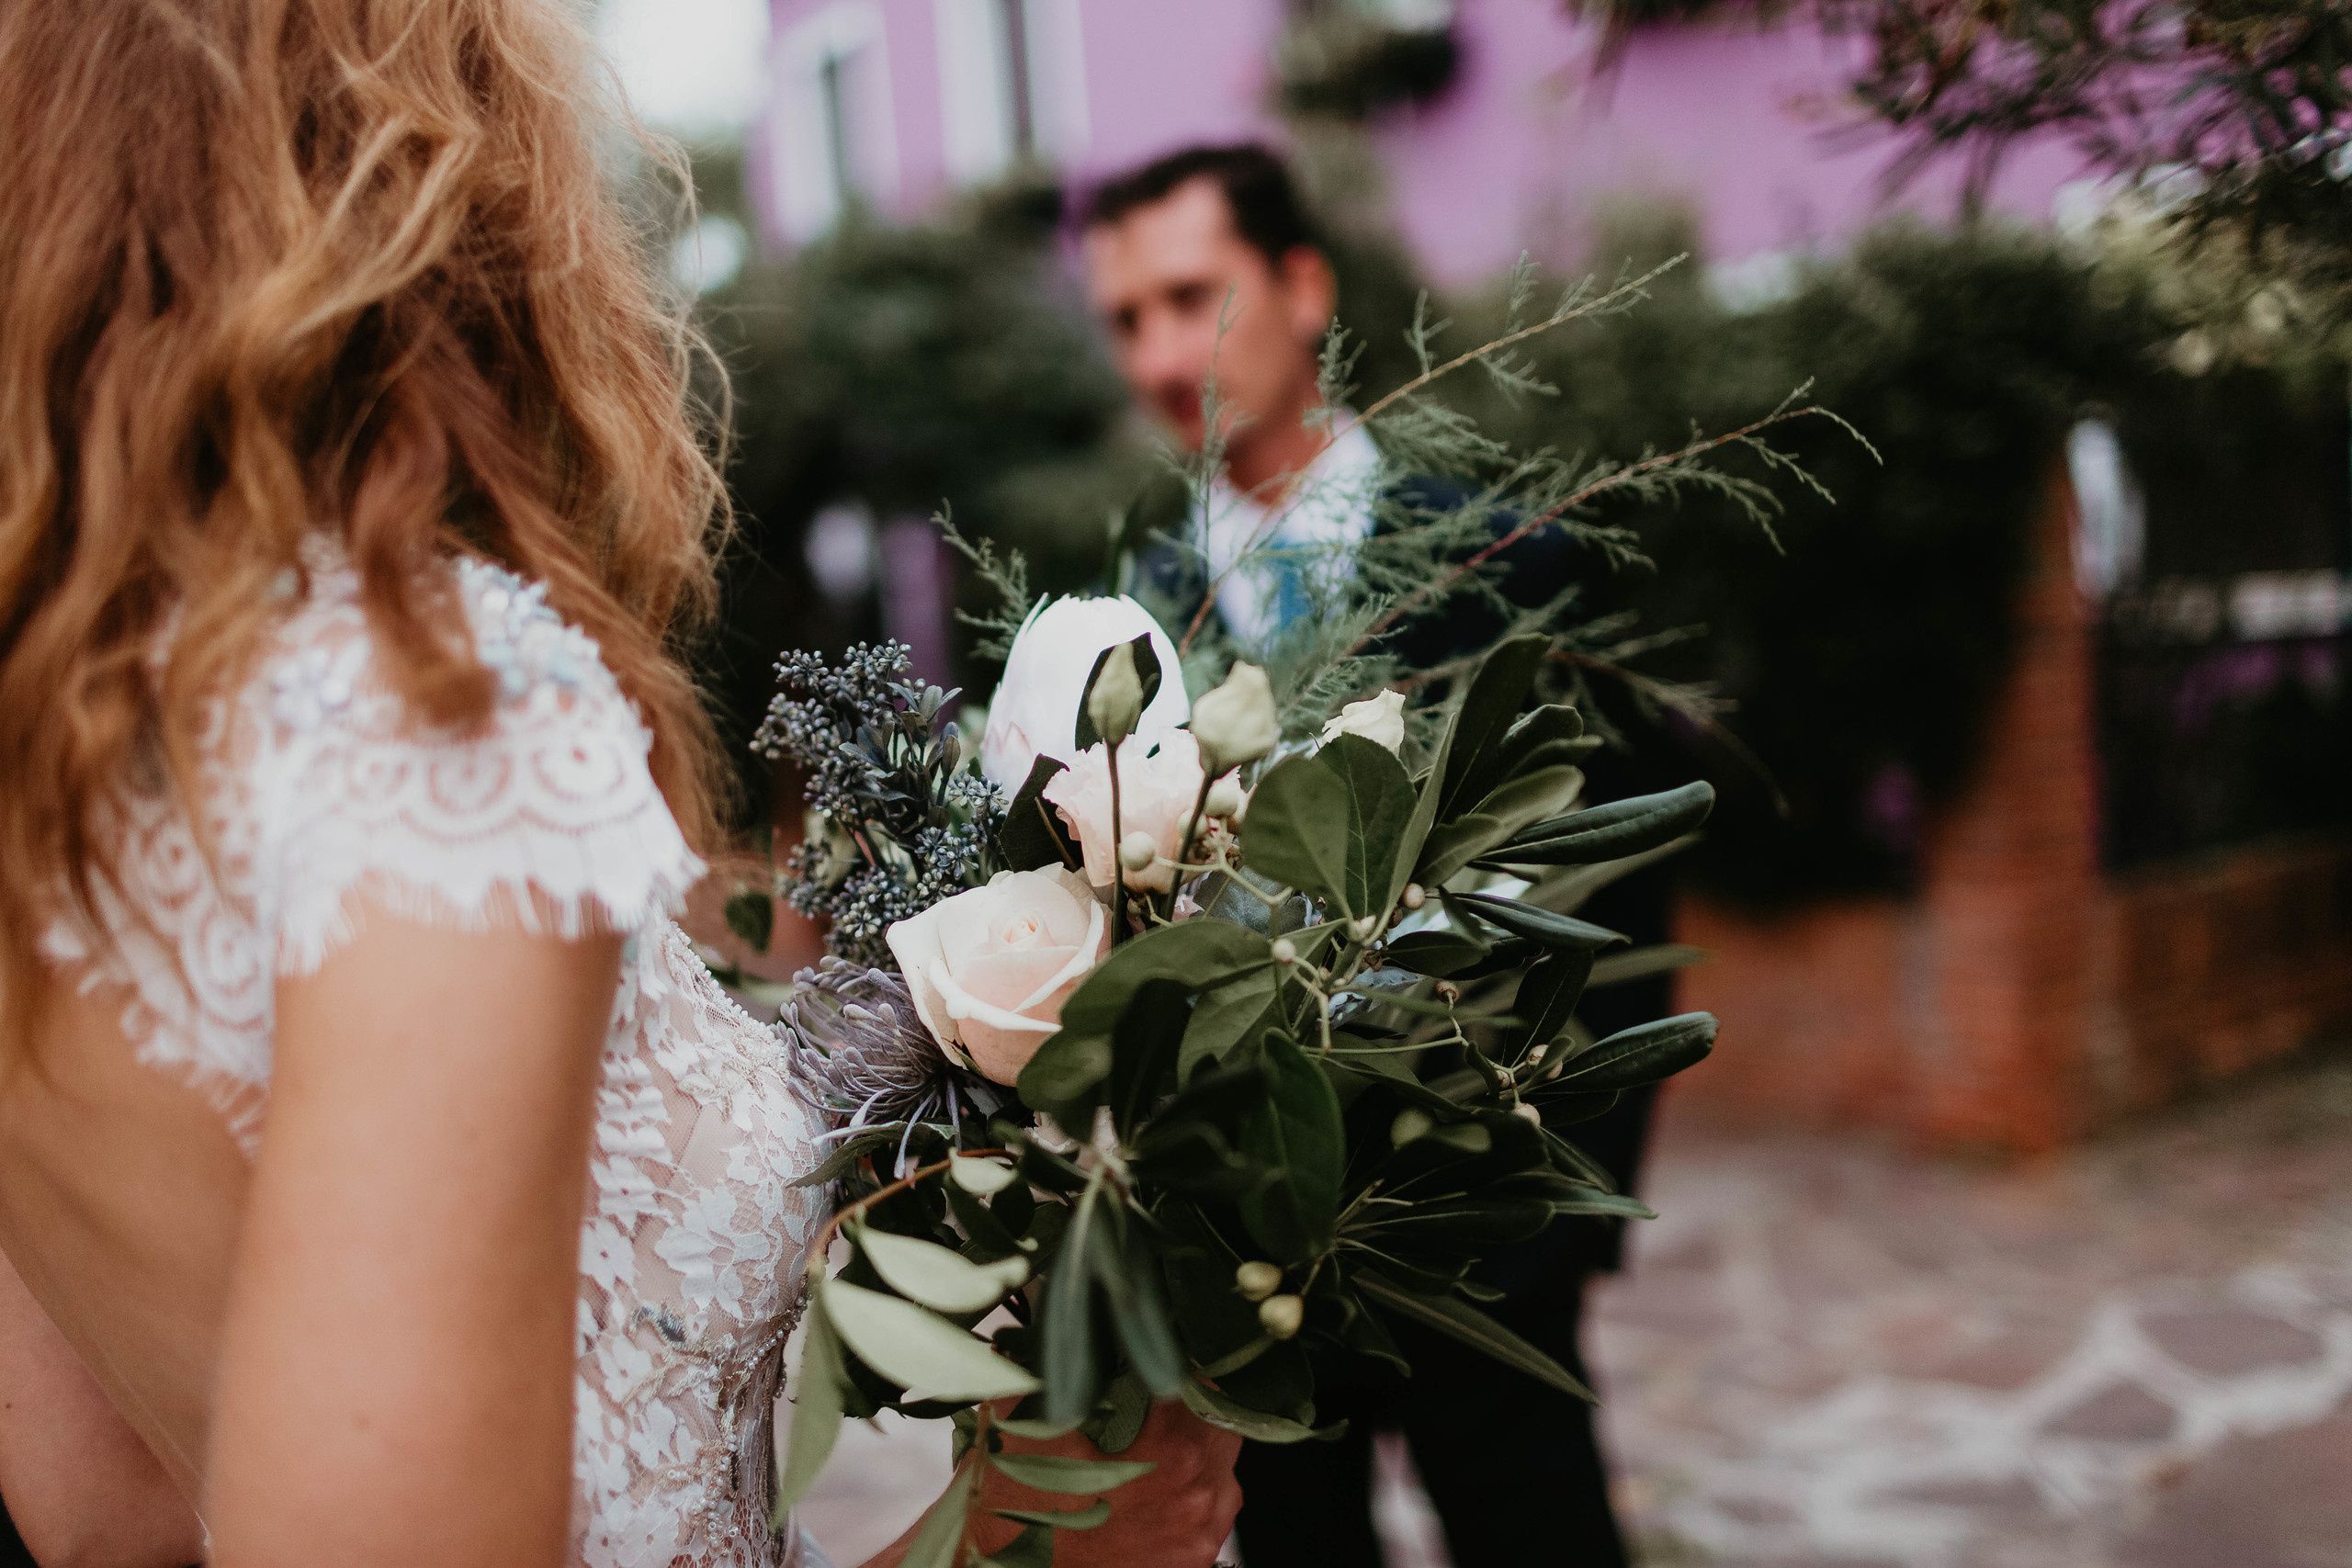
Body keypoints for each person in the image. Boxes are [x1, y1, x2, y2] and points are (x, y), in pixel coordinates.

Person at [0, 6, 1240, 1566]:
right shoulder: (435, 711)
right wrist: (1024, 1545)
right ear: (442, 180)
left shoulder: (51, 748)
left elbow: (107, 1519)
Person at [1080, 142, 1676, 1567]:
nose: (1163, 353)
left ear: (1301, 286)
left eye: (1191, 297)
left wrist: (1563, 1221)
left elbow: (1624, 879)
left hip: (1491, 1242)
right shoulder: (1130, 617)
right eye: (1125, 319)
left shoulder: (1507, 556)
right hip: (1256, 1271)